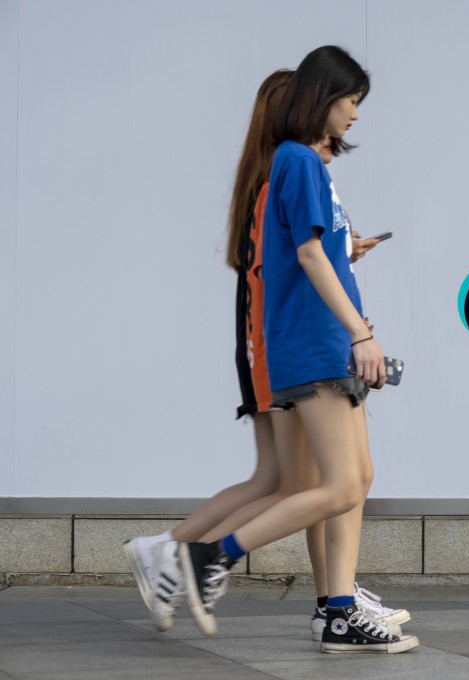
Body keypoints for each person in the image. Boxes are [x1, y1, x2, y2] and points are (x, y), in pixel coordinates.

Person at [122, 68, 406, 643]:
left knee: (309, 481)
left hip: (299, 345)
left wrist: (344, 253)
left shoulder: (286, 173)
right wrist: (352, 330)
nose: (352, 114)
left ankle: (331, 597)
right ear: (307, 106)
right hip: (294, 348)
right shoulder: (291, 168)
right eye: (348, 101)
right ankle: (192, 556)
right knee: (302, 483)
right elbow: (290, 264)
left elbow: (302, 257)